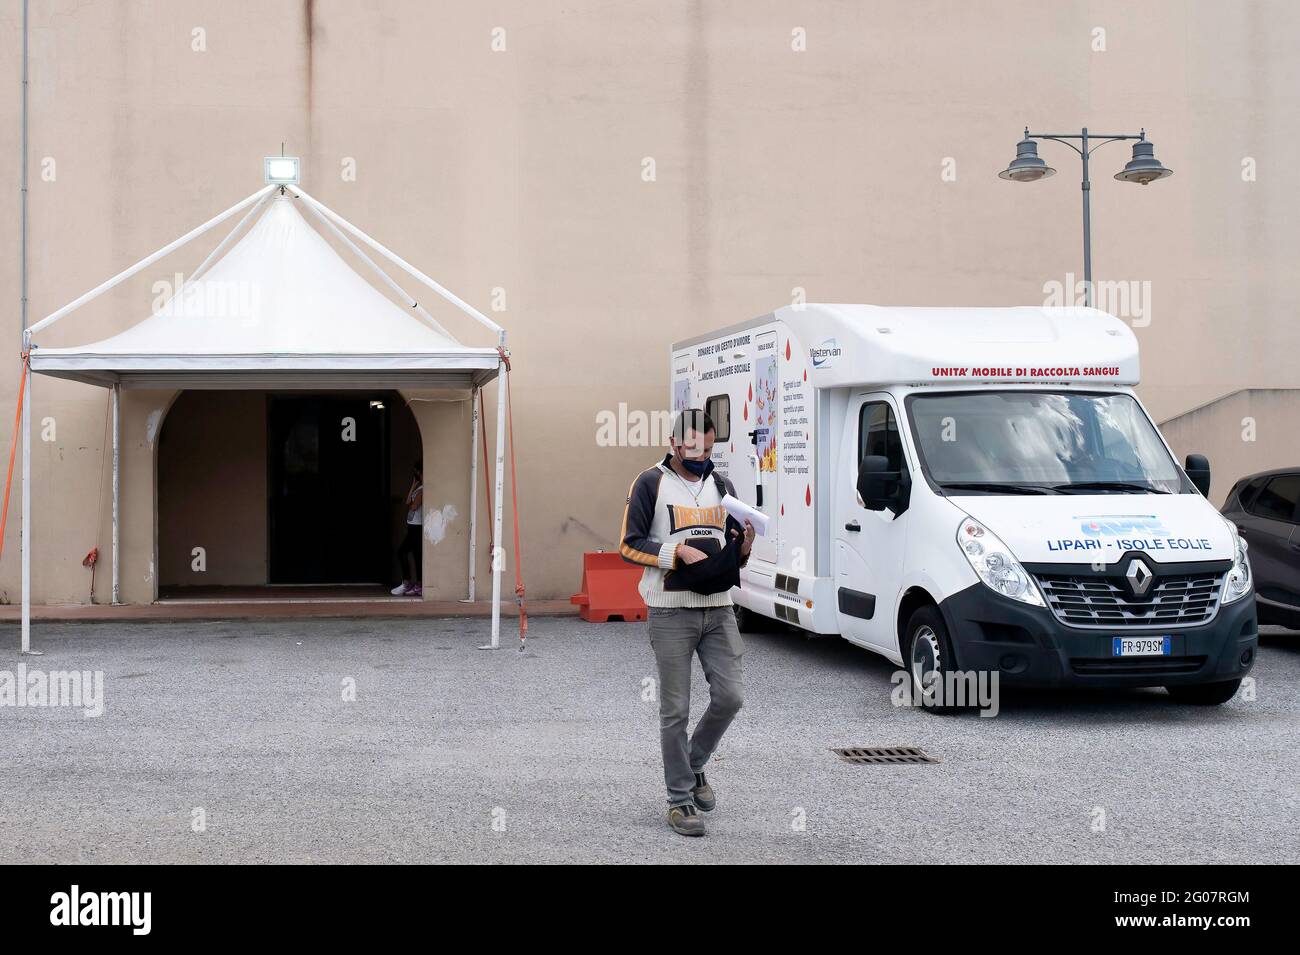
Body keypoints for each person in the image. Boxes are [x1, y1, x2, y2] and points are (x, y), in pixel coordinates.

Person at [619, 408, 755, 836]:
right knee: (675, 710)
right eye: (695, 448)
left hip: (718, 608)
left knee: (730, 696)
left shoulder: (723, 486)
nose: (703, 456)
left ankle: (694, 764)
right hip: (671, 609)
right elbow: (629, 544)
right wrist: (675, 553)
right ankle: (679, 801)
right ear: (675, 444)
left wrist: (745, 545)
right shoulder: (649, 482)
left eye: (710, 449)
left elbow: (733, 551)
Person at [392, 461, 423, 597]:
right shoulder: (418, 487)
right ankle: (412, 583)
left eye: (417, 472)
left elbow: (413, 506)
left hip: (417, 527)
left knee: (404, 553)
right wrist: (413, 485)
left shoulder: (423, 489)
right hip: (411, 526)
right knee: (413, 555)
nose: (415, 475)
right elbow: (407, 502)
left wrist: (413, 497)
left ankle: (411, 583)